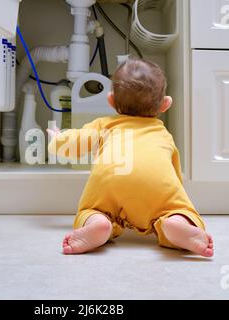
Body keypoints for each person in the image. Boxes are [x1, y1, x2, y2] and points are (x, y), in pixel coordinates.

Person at [47, 58, 214, 257]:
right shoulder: (163, 134)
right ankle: (175, 223)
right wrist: (171, 203)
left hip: (108, 185)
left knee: (92, 211)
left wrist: (58, 139)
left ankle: (98, 223)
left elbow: (74, 143)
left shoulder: (104, 125)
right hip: (156, 186)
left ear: (110, 101)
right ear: (165, 104)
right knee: (176, 211)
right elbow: (173, 174)